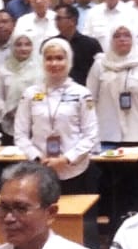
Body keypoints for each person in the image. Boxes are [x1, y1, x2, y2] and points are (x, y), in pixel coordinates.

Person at [15, 38, 99, 193]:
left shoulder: (82, 94)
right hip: (40, 170)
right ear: (42, 61)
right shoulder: (30, 94)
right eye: (49, 58)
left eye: (59, 58)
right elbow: (20, 134)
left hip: (75, 171)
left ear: (69, 61)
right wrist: (37, 157)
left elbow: (90, 135)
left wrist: (66, 159)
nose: (54, 63)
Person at [87, 21, 138, 146]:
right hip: (106, 134)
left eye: (127, 35)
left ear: (133, 38)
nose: (122, 39)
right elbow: (90, 99)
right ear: (111, 40)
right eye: (117, 36)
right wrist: (90, 131)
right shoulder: (100, 64)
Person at [0, 32, 42, 139]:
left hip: (35, 123)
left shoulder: (40, 70)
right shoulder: (3, 70)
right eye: (18, 45)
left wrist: (29, 112)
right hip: (9, 121)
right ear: (12, 47)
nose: (23, 48)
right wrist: (8, 112)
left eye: (27, 44)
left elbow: (42, 95)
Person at [54, 4, 103, 85]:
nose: (56, 22)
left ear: (73, 20)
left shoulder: (91, 44)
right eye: (55, 19)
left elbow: (99, 70)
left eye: (59, 18)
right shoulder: (52, 43)